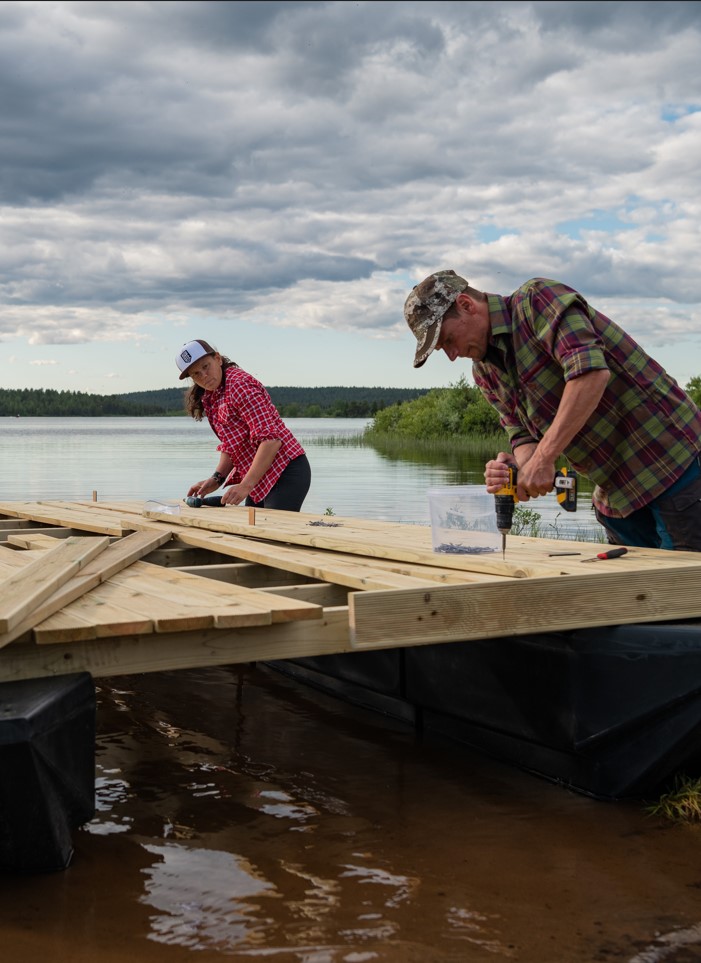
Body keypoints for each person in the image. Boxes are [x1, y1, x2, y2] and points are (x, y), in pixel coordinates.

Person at [404, 270, 701, 551]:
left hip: (676, 467)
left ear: (466, 305)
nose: (453, 355)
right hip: (618, 496)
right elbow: (522, 436)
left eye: (448, 341)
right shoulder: (485, 373)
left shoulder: (536, 301)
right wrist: (519, 472)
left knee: (684, 595)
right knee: (637, 597)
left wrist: (544, 459)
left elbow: (590, 373)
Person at [176, 339, 311, 510]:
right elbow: (232, 444)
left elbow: (271, 440)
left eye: (205, 366)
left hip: (284, 470)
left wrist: (245, 485)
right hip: (258, 478)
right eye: (195, 374)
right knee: (252, 533)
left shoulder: (239, 385)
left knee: (270, 534)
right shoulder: (211, 396)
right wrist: (217, 478)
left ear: (217, 359)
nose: (204, 376)